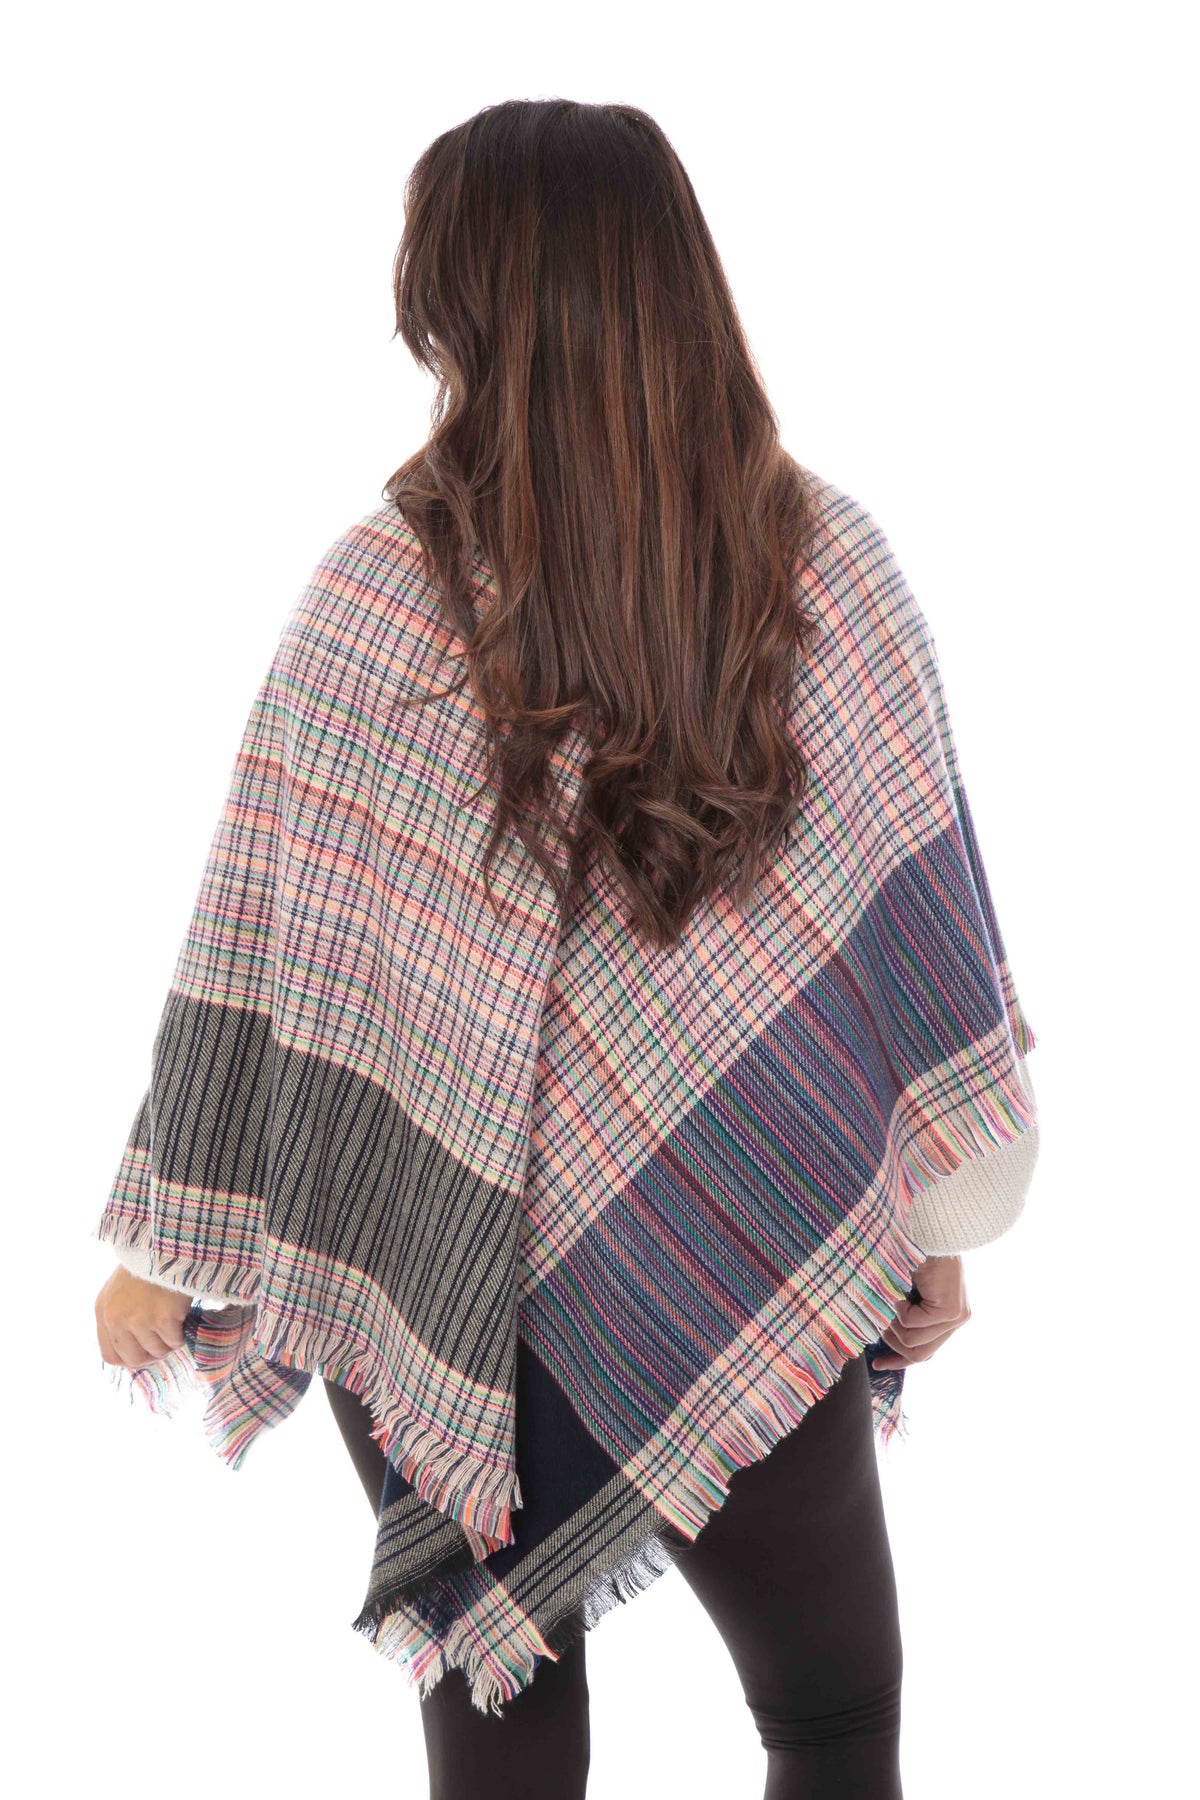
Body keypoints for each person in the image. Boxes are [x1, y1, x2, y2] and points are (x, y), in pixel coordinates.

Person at [93, 98, 1039, 1799]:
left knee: (503, 1728)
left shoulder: (375, 591)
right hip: (757, 1235)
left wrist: (165, 1249)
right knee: (832, 1715)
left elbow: (264, 944)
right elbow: (921, 939)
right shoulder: (827, 564)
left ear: (456, 305)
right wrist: (931, 1226)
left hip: (443, 1274)